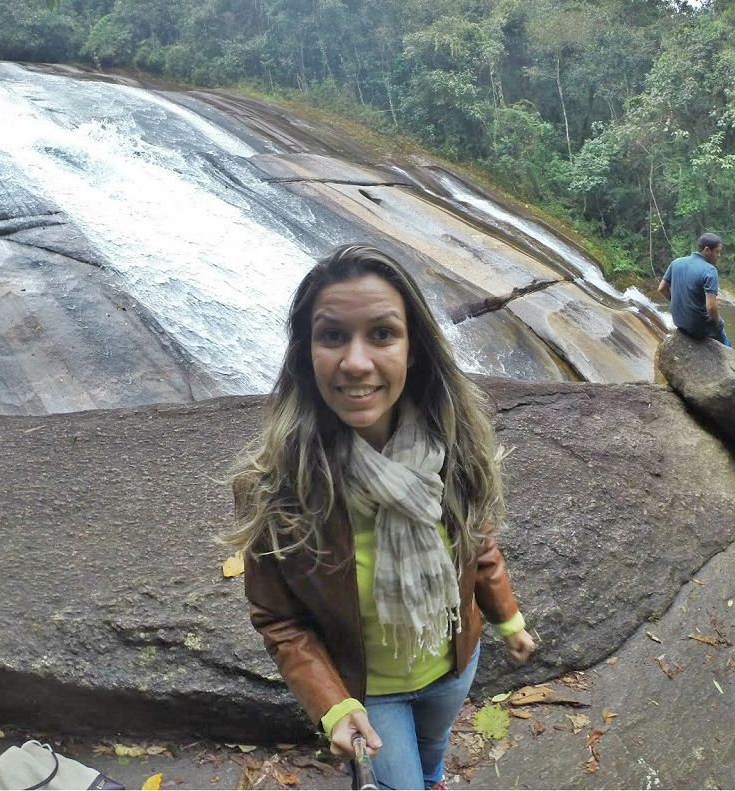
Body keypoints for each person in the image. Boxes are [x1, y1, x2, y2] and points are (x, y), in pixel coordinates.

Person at [228, 244, 535, 790]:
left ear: (413, 348)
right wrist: (331, 705)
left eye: (382, 334)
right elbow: (278, 618)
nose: (356, 362)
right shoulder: (277, 486)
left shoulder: (453, 451)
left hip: (452, 665)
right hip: (368, 694)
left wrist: (509, 620)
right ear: (306, 352)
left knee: (434, 748)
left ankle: (435, 775)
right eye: (332, 336)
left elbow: (476, 544)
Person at [658, 232, 731, 347]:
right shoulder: (710, 270)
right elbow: (711, 307)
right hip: (697, 327)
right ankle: (734, 355)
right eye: (717, 251)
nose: (719, 255)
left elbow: (662, 288)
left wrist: (677, 303)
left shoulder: (676, 262)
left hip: (678, 321)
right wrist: (718, 321)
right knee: (720, 324)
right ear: (707, 250)